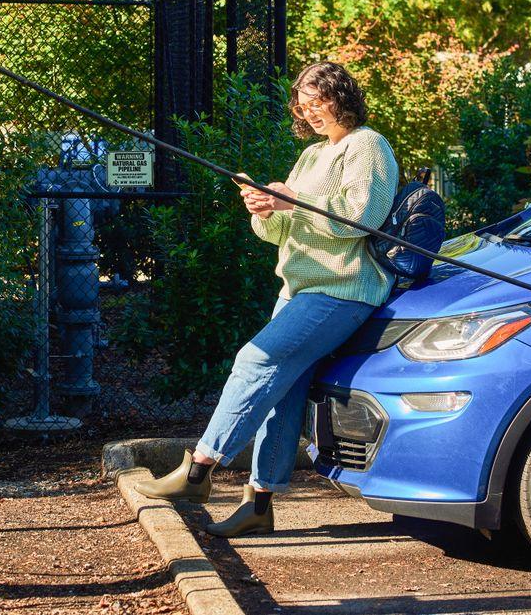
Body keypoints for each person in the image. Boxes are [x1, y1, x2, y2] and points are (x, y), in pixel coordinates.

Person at [133, 62, 399, 536]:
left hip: (342, 289)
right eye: (304, 103)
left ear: (342, 97)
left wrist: (290, 200)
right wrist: (263, 207)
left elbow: (362, 218)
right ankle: (259, 505)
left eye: (320, 100)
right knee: (282, 394)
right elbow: (280, 232)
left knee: (254, 361)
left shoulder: (367, 146)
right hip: (297, 290)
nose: (311, 111)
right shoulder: (314, 155)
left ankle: (199, 470)